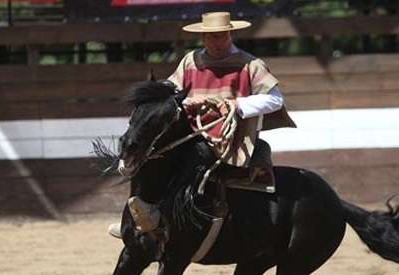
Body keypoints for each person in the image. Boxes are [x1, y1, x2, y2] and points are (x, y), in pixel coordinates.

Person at [108, 11, 296, 239]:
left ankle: (170, 220)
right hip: (190, 132)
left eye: (223, 36)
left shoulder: (251, 65)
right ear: (204, 37)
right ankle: (132, 220)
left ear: (230, 34)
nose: (218, 42)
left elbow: (275, 100)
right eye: (213, 37)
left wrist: (236, 105)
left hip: (229, 138)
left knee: (197, 155)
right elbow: (171, 92)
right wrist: (188, 99)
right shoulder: (190, 61)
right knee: (151, 154)